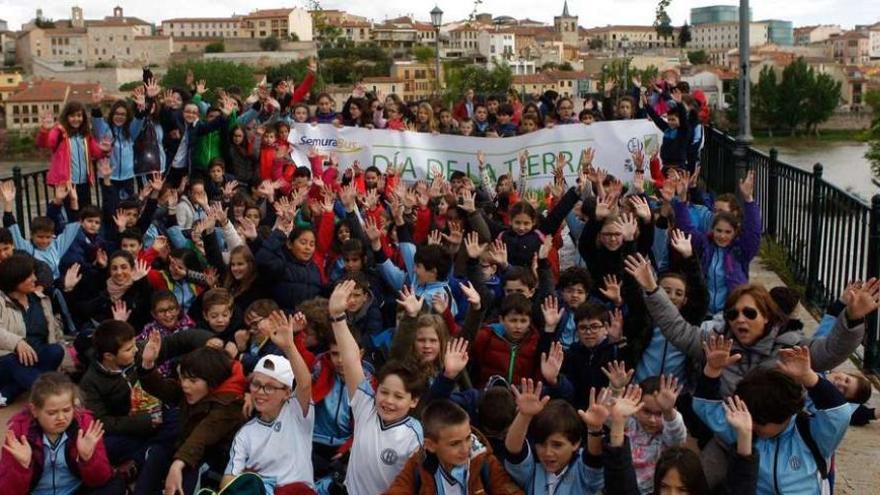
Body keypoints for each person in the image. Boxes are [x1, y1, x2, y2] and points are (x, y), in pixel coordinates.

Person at [694, 339, 851, 493]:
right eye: (750, 418)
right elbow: (705, 407)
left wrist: (808, 377)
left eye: (760, 422)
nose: (752, 425)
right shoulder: (745, 428)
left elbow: (839, 412)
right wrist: (712, 370)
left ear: (786, 415)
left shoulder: (811, 434)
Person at [328, 280, 426, 494]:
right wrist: (338, 318)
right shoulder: (366, 406)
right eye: (384, 392)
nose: (388, 401)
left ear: (414, 401)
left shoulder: (413, 434)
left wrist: (411, 319)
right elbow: (352, 360)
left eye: (398, 396)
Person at [223, 311, 315, 494]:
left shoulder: (296, 413)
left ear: (287, 393)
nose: (260, 392)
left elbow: (304, 383)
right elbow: (228, 479)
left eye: (270, 387)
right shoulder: (246, 433)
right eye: (256, 385)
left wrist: (289, 346)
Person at [139, 340, 247, 495]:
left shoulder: (228, 404)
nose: (185, 385)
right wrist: (148, 364)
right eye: (182, 378)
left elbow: (202, 436)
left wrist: (178, 464)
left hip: (213, 461)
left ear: (212, 381)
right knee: (157, 454)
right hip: (185, 450)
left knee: (189, 475)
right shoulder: (192, 390)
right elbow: (162, 388)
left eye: (193, 380)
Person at [0, 372, 123, 494]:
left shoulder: (85, 427)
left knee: (115, 485)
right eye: (52, 413)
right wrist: (21, 467)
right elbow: (8, 491)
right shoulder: (19, 434)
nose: (61, 418)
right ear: (34, 410)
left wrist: (88, 458)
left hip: (75, 490)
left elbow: (99, 480)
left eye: (66, 410)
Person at [384, 399, 523, 495]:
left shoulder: (484, 461)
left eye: (468, 438)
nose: (465, 449)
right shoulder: (418, 465)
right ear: (430, 445)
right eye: (455, 444)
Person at [502, 380, 603, 494]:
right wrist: (524, 416)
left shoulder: (582, 471)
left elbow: (594, 459)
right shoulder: (533, 469)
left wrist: (595, 429)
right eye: (541, 444)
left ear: (575, 443)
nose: (548, 452)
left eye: (557, 445)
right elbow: (513, 451)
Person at [0, 253, 66, 405]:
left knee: (55, 350)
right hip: (8, 359)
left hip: (35, 357)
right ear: (15, 279)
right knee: (12, 361)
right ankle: (51, 398)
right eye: (29, 276)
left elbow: (55, 333)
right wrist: (17, 343)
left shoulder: (40, 299)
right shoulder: (2, 301)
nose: (35, 279)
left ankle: (9, 392)